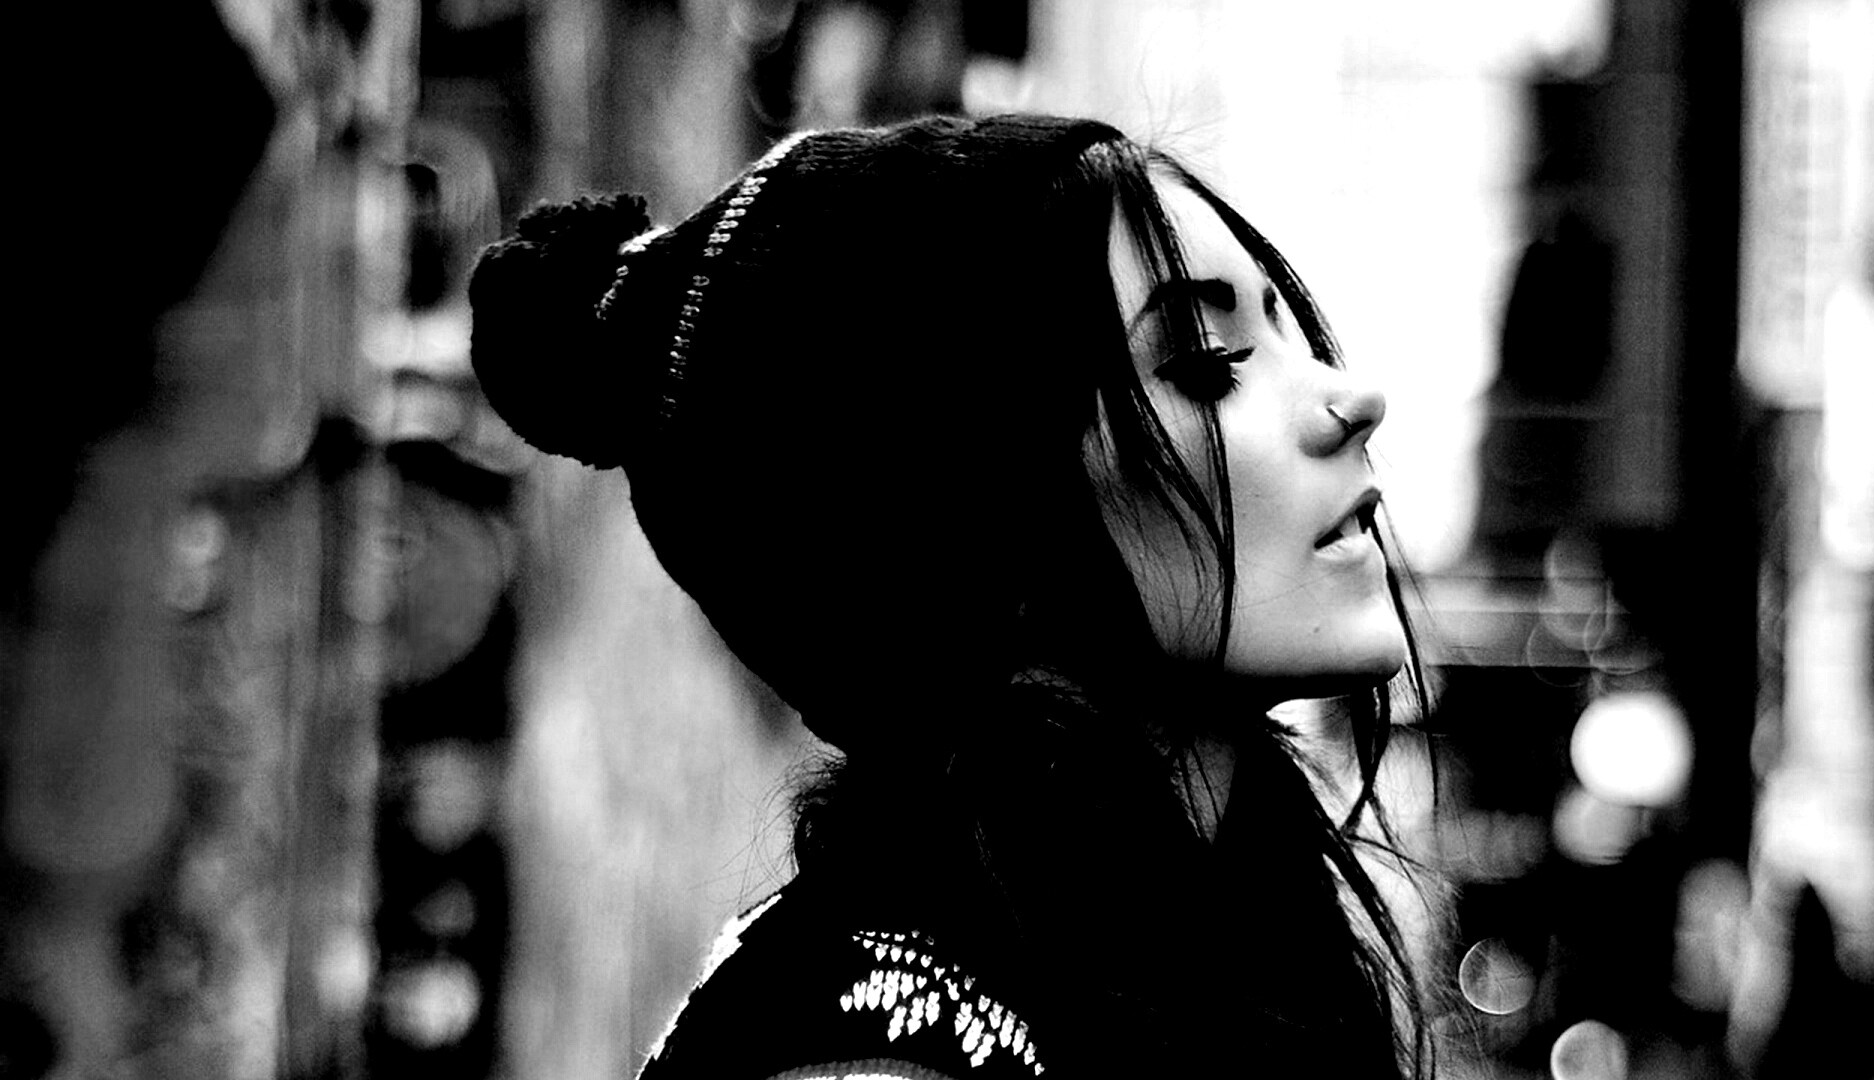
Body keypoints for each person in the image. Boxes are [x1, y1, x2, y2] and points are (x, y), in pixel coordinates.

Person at [470, 113, 1434, 1079]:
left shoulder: (1227, 944)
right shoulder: (875, 1061)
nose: (1351, 399)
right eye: (1207, 364)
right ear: (968, 507)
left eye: (1282, 329)